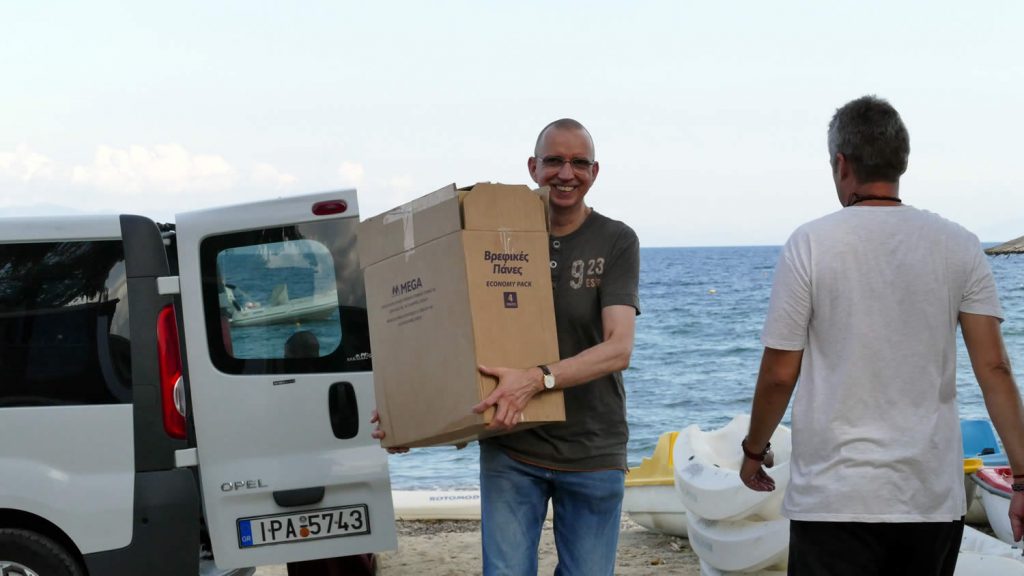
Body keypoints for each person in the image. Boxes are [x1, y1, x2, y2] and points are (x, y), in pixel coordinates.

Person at [740, 95, 1024, 575]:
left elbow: (779, 374)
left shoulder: (810, 243)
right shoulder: (959, 244)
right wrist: (1021, 478)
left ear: (841, 163)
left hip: (834, 499)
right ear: (902, 162)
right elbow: (993, 369)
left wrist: (753, 450)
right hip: (928, 499)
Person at [372, 118, 640, 575]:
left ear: (595, 173)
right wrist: (407, 415)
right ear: (534, 167)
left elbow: (619, 349)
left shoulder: (616, 240)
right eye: (554, 161)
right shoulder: (492, 235)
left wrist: (536, 380)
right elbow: (443, 332)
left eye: (579, 163)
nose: (566, 173)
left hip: (592, 450)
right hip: (512, 447)